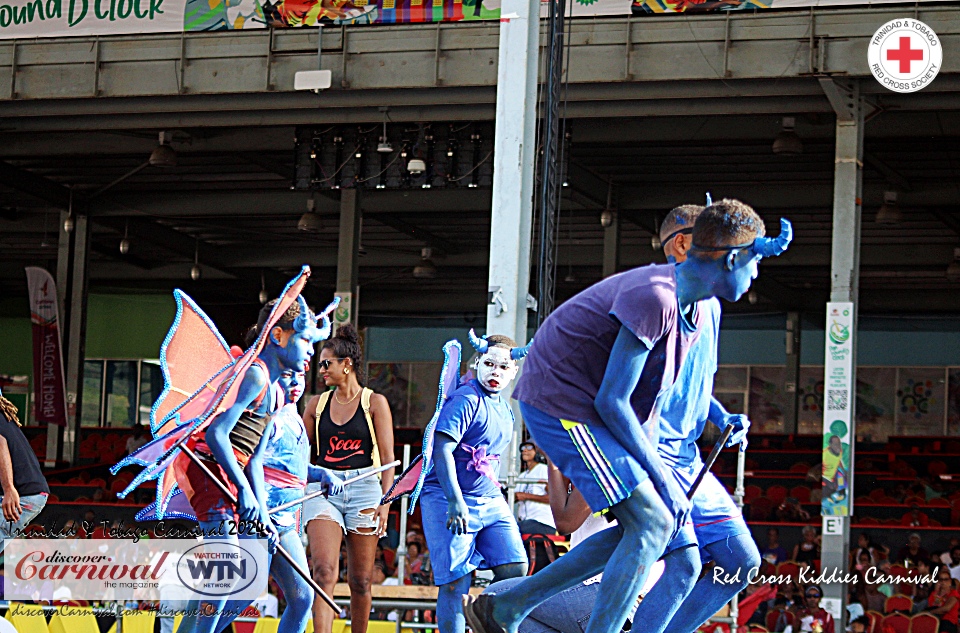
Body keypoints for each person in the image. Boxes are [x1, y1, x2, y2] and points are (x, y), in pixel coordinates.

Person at [465, 200, 789, 633]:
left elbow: (650, 398)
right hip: (561, 405)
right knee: (654, 522)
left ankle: (509, 607)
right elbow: (611, 402)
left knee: (651, 525)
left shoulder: (695, 304)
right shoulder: (656, 297)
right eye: (755, 262)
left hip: (600, 411)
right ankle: (518, 607)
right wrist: (660, 475)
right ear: (731, 258)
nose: (756, 275)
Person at [168, 293, 331, 633]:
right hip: (212, 470)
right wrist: (245, 492)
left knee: (239, 586)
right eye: (305, 340)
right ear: (278, 336)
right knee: (226, 575)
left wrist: (261, 514)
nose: (312, 353)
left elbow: (255, 459)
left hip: (236, 475)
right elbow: (217, 435)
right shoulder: (255, 374)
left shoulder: (275, 389)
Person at [421, 333, 530, 633]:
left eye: (503, 367)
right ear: (478, 362)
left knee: (514, 569)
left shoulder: (506, 409)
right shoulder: (466, 399)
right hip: (447, 496)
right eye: (490, 364)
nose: (496, 372)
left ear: (514, 371)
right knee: (456, 583)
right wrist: (455, 500)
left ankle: (482, 619)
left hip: (489, 497)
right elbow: (441, 449)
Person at [303, 324, 396, 633]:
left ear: (347, 364)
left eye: (327, 363)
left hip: (365, 487)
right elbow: (299, 456)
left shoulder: (375, 403)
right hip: (323, 487)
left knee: (361, 579)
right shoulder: (315, 405)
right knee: (324, 571)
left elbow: (387, 459)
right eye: (320, 364)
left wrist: (386, 502)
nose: (322, 370)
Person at [0, 388, 50, 553]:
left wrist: (8, 488)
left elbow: (0, 444)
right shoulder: (4, 418)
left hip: (21, 496)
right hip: (30, 494)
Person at [516, 442, 556, 536]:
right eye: (523, 448)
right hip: (527, 522)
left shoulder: (543, 470)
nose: (525, 450)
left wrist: (526, 496)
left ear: (537, 452)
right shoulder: (522, 476)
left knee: (511, 531)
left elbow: (554, 498)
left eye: (529, 447)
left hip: (543, 522)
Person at [926, 569, 960, 633]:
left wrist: (930, 612)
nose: (943, 582)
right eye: (941, 579)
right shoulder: (934, 593)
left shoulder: (953, 593)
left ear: (950, 581)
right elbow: (932, 605)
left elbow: (946, 608)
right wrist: (937, 593)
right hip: (934, 621)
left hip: (948, 622)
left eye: (946, 579)